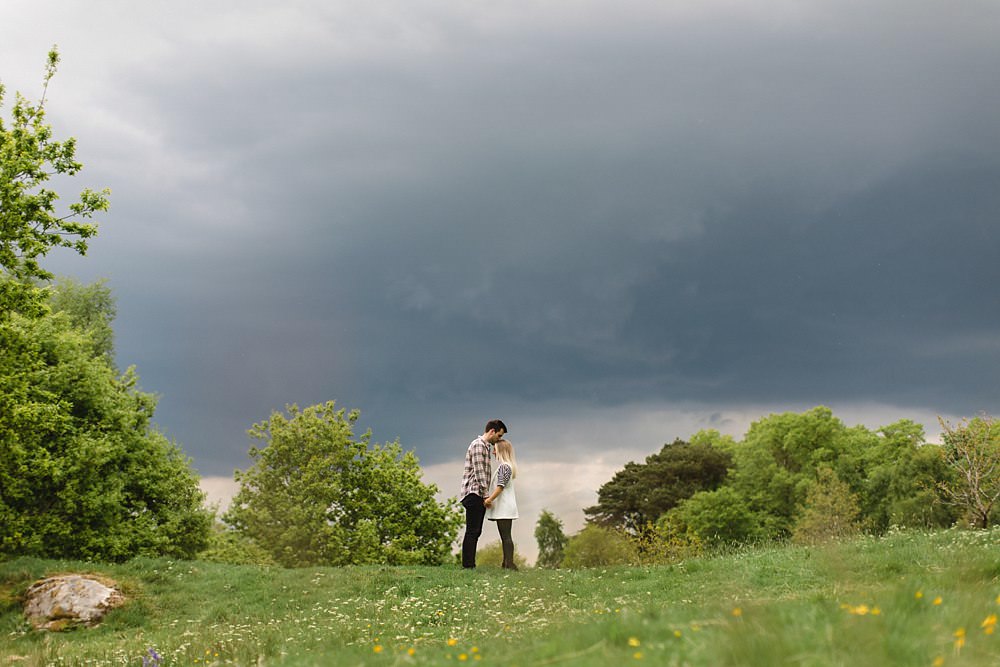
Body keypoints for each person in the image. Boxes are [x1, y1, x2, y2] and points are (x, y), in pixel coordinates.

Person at [460, 419, 507, 569]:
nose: (498, 440)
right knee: (473, 531)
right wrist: (486, 496)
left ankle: (469, 564)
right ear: (492, 431)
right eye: (499, 436)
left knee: (475, 531)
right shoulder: (479, 445)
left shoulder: (485, 447)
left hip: (478, 493)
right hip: (474, 493)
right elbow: (480, 473)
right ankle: (468, 565)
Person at [484, 439, 519, 570]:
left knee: (506, 536)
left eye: (495, 449)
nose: (493, 452)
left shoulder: (505, 466)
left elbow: (500, 487)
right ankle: (506, 563)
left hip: (504, 507)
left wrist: (489, 500)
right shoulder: (508, 466)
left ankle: (509, 563)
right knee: (506, 536)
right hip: (506, 507)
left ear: (501, 451)